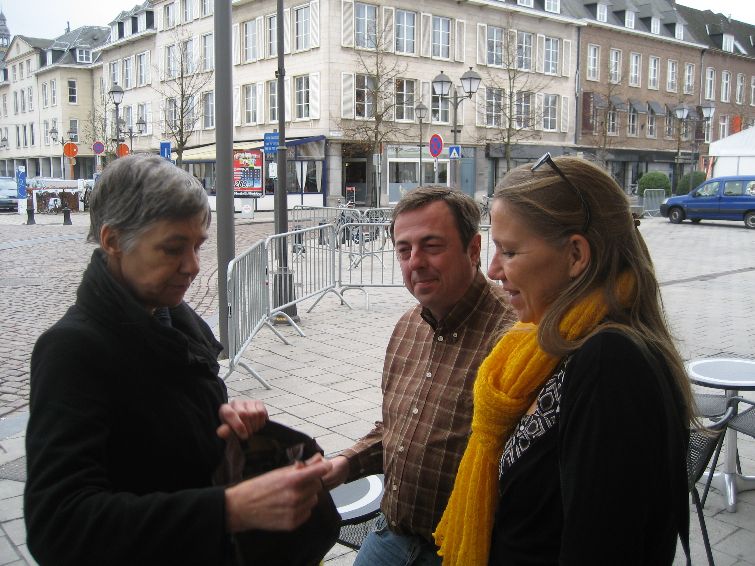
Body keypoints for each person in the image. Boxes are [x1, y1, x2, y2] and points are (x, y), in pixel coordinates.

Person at [24, 154, 331, 566]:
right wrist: (228, 509)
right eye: (173, 249)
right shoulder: (72, 350)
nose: (193, 266)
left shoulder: (171, 319)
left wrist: (227, 418)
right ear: (113, 240)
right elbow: (58, 526)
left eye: (197, 245)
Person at [434, 154, 694, 565]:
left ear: (575, 255)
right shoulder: (553, 344)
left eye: (509, 251)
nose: (493, 269)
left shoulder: (611, 363)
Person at [323, 186, 516, 565]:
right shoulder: (407, 326)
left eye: (431, 246)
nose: (415, 262)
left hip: (463, 552)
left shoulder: (512, 339)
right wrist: (344, 464)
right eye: (403, 249)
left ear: (474, 250)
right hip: (390, 533)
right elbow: (394, 429)